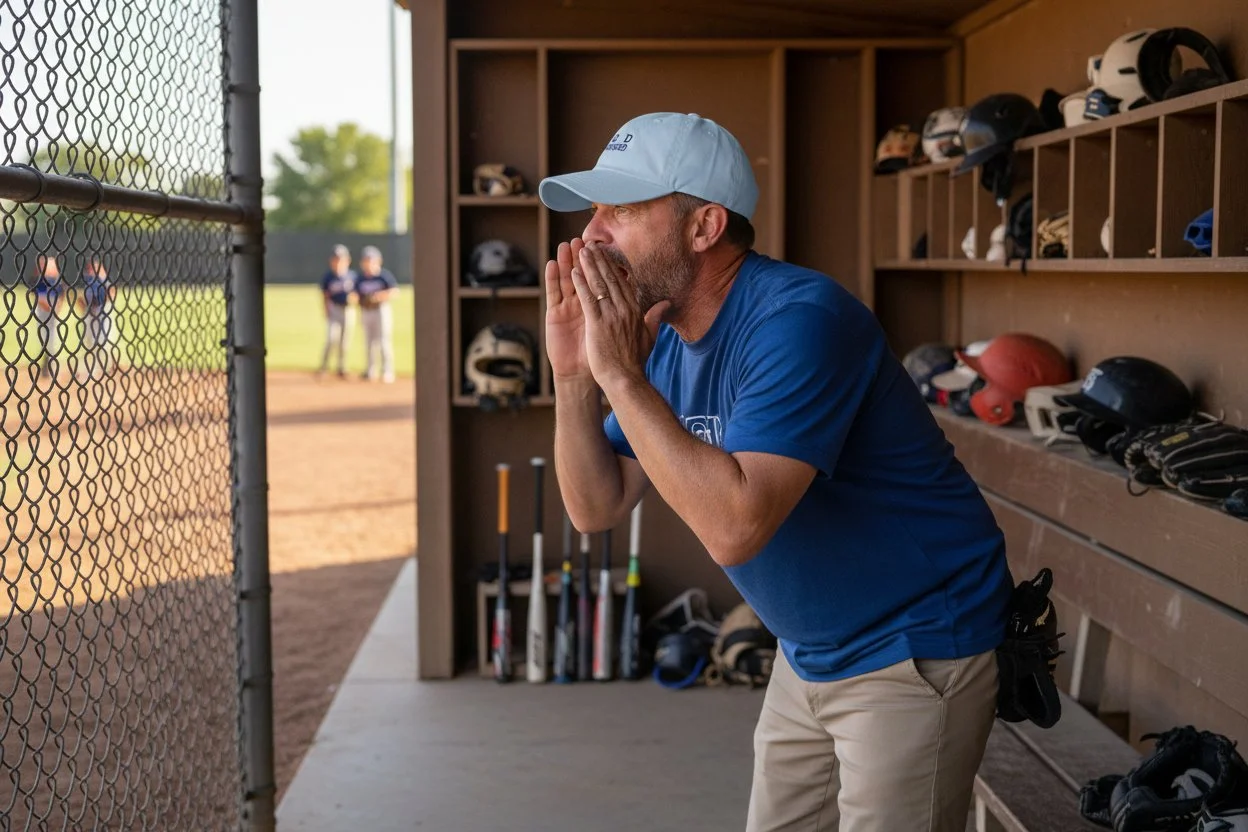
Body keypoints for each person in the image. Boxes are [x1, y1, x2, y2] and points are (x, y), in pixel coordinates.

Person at [537, 112, 1014, 831]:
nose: (593, 232)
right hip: (808, 652)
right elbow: (594, 507)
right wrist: (576, 379)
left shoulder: (799, 319)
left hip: (913, 649)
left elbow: (735, 527)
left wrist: (618, 374)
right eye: (595, 209)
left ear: (704, 226)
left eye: (623, 209)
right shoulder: (664, 343)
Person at [354, 245, 398, 383]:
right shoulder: (360, 278)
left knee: (384, 340)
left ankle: (387, 371)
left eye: (371, 260)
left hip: (381, 310)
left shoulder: (383, 276)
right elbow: (355, 295)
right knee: (369, 342)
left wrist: (379, 296)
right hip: (366, 311)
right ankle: (370, 370)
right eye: (366, 260)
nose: (369, 263)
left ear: (378, 261)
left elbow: (395, 291)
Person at [77, 254, 118, 380]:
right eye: (89, 268)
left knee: (103, 340)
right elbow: (84, 301)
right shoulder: (88, 281)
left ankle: (110, 365)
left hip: (102, 313)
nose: (90, 271)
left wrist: (104, 305)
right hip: (90, 314)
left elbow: (112, 292)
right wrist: (82, 304)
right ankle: (93, 369)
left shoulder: (102, 279)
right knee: (90, 342)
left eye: (93, 268)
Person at [318, 243, 356, 378]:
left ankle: (342, 367)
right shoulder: (328, 277)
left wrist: (354, 298)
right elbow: (325, 295)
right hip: (334, 309)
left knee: (345, 341)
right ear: (331, 261)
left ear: (348, 260)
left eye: (341, 258)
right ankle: (324, 367)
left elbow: (357, 293)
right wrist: (326, 310)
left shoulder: (352, 276)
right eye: (336, 258)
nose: (338, 261)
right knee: (331, 339)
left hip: (348, 310)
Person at [30, 253, 66, 380]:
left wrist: (57, 308)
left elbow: (62, 294)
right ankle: (47, 364)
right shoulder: (39, 280)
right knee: (44, 338)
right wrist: (49, 307)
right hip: (43, 311)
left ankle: (51, 367)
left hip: (53, 310)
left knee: (53, 340)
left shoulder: (56, 280)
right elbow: (37, 296)